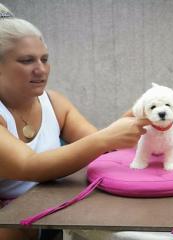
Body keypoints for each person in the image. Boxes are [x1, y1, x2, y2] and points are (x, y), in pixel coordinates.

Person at [0, 3, 150, 240]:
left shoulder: (55, 103)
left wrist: (130, 122)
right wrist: (106, 138)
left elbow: (98, 147)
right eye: (27, 60)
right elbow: (30, 166)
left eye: (45, 59)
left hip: (50, 214)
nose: (41, 70)